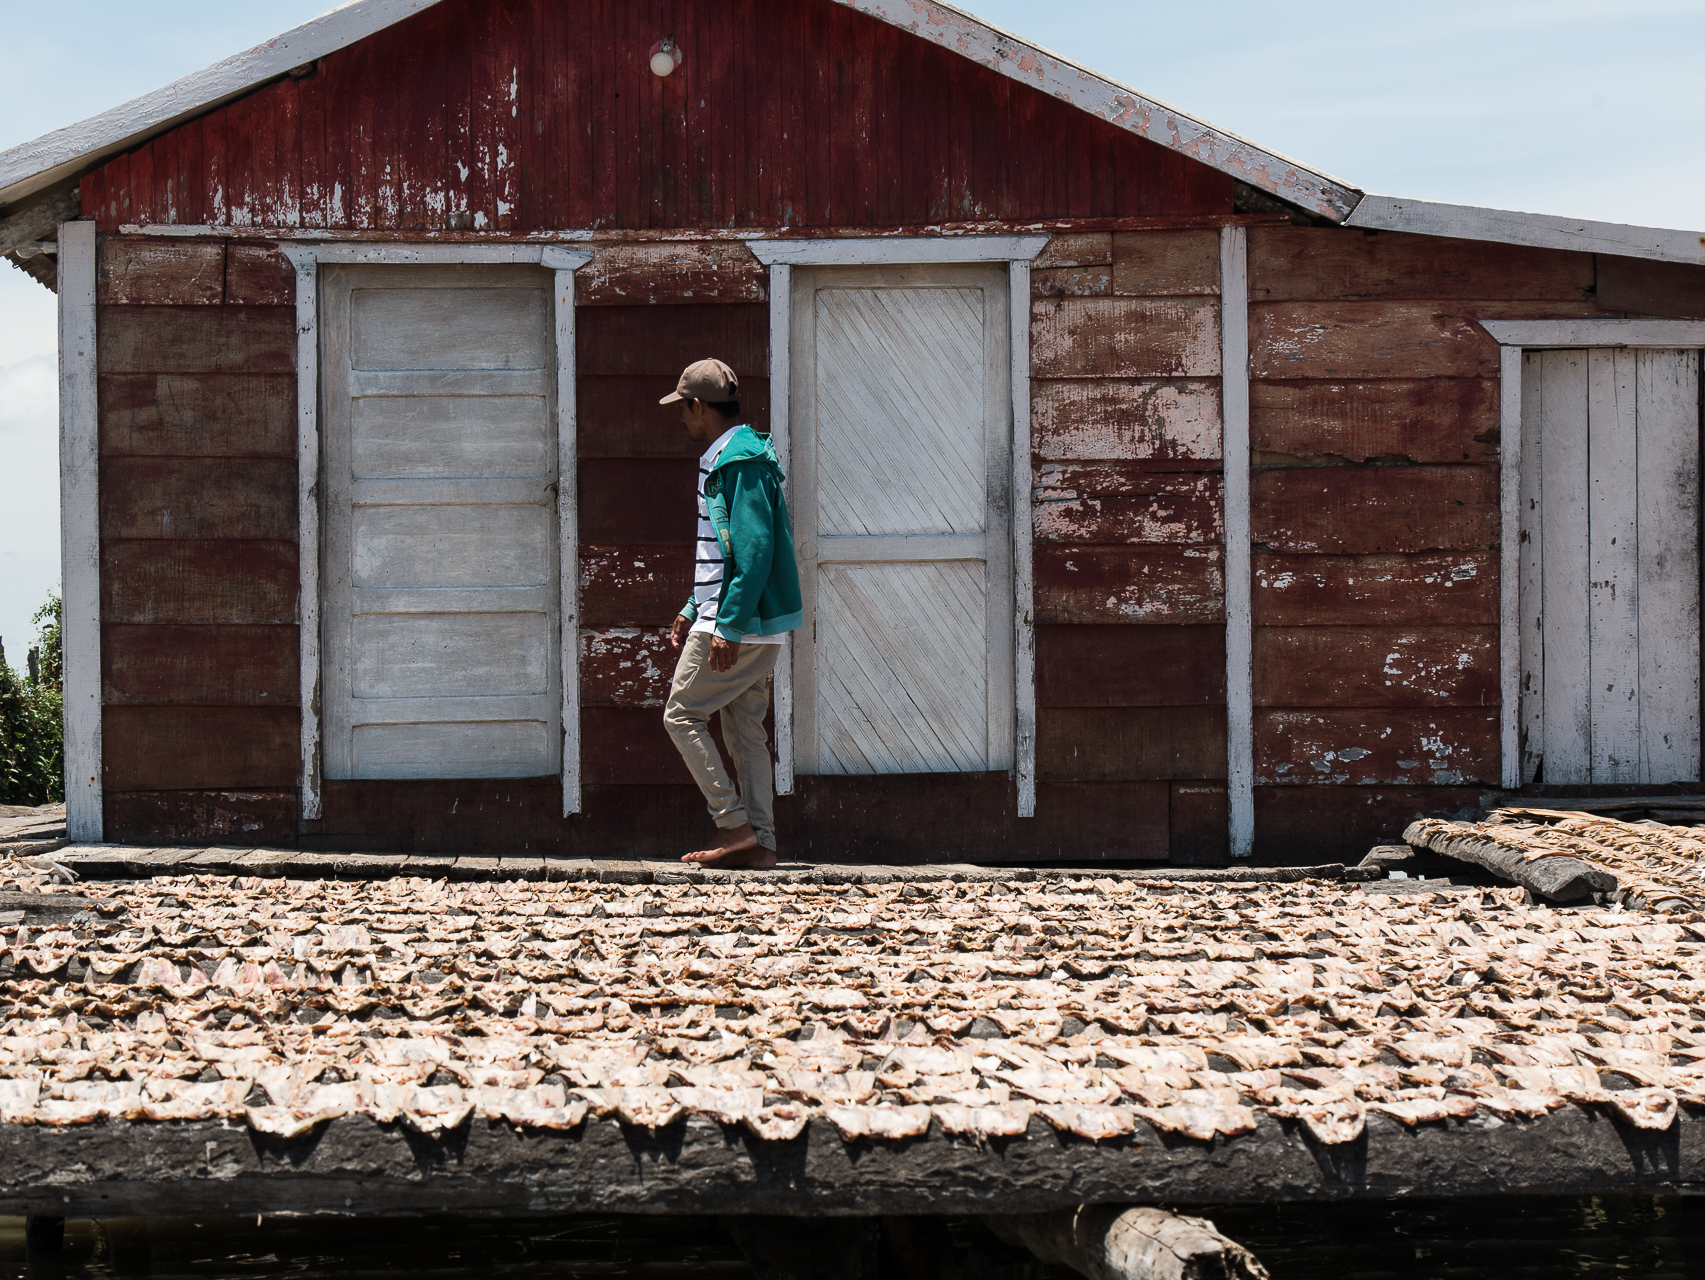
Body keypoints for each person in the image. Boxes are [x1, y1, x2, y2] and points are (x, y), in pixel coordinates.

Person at [659, 359, 802, 868]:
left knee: (681, 714)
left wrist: (727, 623)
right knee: (744, 730)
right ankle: (760, 844)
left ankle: (733, 824)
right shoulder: (736, 456)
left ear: (700, 406)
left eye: (684, 410)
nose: (682, 420)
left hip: (735, 623)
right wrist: (692, 605)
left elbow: (755, 551)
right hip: (741, 619)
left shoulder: (736, 461)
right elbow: (726, 551)